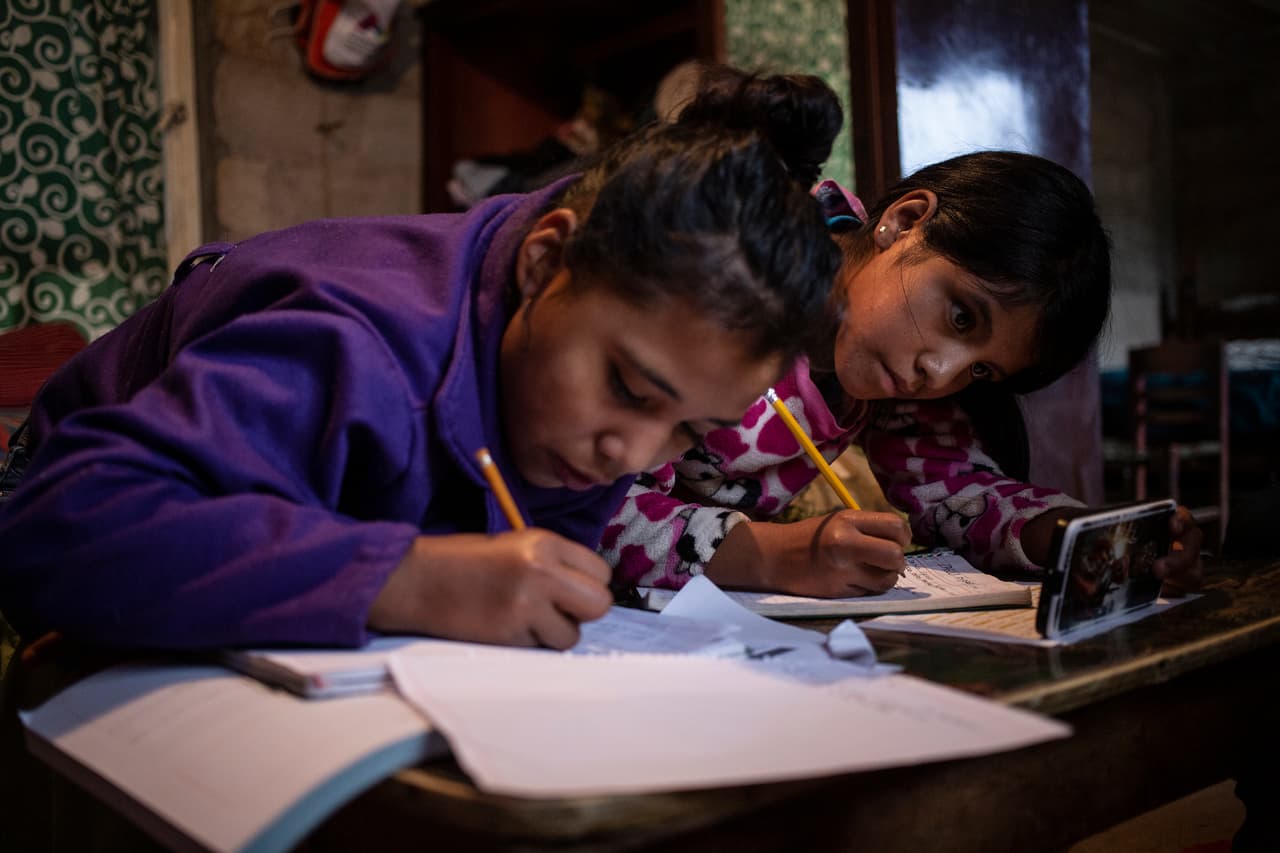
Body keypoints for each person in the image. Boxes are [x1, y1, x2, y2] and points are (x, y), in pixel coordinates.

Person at [0, 69, 845, 652]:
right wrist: (404, 578)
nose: (629, 452)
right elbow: (54, 530)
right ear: (544, 260)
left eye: (688, 431)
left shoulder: (595, 339)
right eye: (626, 387)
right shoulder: (355, 339)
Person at [604, 146, 1204, 598]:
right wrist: (766, 555)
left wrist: (1076, 533)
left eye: (980, 372)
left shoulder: (888, 372)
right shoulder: (723, 271)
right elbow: (587, 508)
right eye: (963, 316)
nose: (938, 372)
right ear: (904, 221)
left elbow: (954, 488)